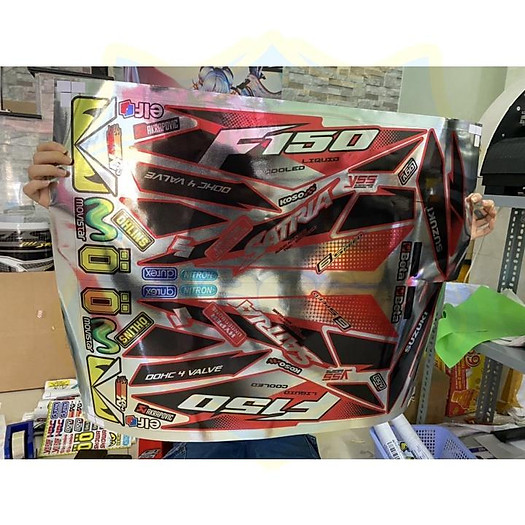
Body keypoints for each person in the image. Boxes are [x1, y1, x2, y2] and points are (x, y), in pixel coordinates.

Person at [24, 141, 497, 459]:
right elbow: (122, 246)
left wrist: (455, 230)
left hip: (283, 419)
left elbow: (401, 245)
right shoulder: (184, 210)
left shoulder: (305, 211)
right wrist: (65, 199)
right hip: (198, 420)